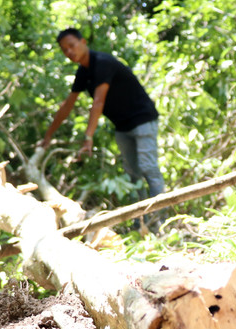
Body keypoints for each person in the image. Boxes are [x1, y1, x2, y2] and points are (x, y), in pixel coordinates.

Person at [40, 28, 165, 204]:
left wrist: (88, 137)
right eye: (64, 50)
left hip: (142, 119)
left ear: (83, 42)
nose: (69, 52)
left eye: (72, 46)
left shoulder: (102, 62)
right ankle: (142, 221)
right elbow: (67, 105)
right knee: (132, 174)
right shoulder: (83, 72)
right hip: (122, 127)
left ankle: (161, 217)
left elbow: (98, 102)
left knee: (148, 168)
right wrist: (48, 135)